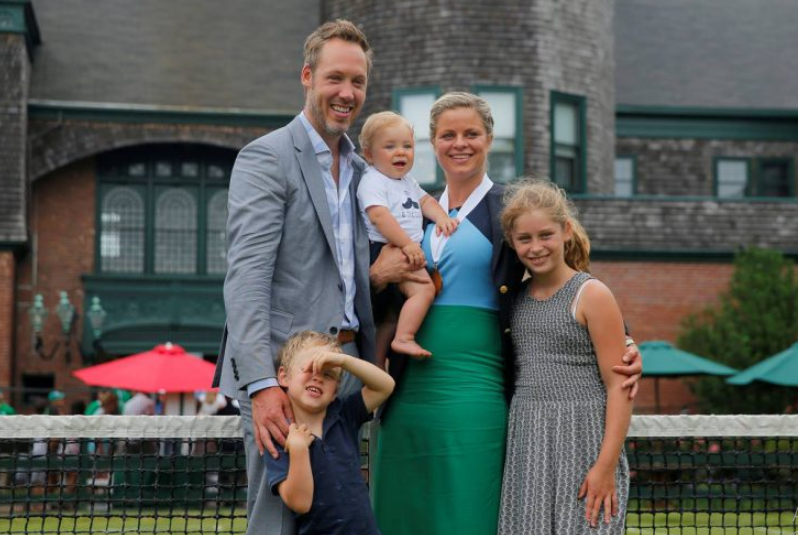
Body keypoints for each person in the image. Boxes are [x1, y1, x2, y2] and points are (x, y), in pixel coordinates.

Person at [371, 92, 642, 535]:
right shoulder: (405, 208)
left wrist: (625, 342)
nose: (460, 143)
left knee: (469, 516)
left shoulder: (511, 211)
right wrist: (375, 277)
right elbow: (370, 294)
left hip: (478, 388)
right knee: (400, 516)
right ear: (432, 144)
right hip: (406, 395)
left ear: (490, 139)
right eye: (448, 135)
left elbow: (565, 275)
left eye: (471, 133)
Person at [213, 19, 402, 535]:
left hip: (341, 377)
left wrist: (377, 275)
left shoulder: (368, 175)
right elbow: (246, 277)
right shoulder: (266, 158)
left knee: (337, 518)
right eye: (335, 78)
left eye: (358, 82)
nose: (347, 93)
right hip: (283, 378)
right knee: (279, 524)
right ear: (307, 76)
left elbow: (341, 272)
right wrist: (261, 384)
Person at [497, 179, 632, 533]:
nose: (536, 247)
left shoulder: (591, 294)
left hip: (584, 440)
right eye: (524, 239)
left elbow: (620, 387)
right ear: (512, 243)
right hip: (528, 439)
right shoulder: (514, 299)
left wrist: (605, 466)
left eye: (546, 235)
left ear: (566, 231)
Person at [266, 331, 394, 534]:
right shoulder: (280, 433)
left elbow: (385, 386)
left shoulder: (344, 414)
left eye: (328, 374)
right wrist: (299, 450)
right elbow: (300, 503)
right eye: (309, 369)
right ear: (284, 376)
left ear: (335, 392)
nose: (317, 377)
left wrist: (342, 361)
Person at [357, 111, 458, 359]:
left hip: (402, 248)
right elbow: (379, 217)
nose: (400, 152)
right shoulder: (373, 180)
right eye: (390, 146)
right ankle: (404, 338)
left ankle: (379, 361)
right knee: (423, 290)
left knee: (390, 316)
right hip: (383, 248)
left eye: (407, 146)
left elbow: (425, 201)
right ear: (369, 155)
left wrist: (442, 218)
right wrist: (407, 245)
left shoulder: (407, 181)